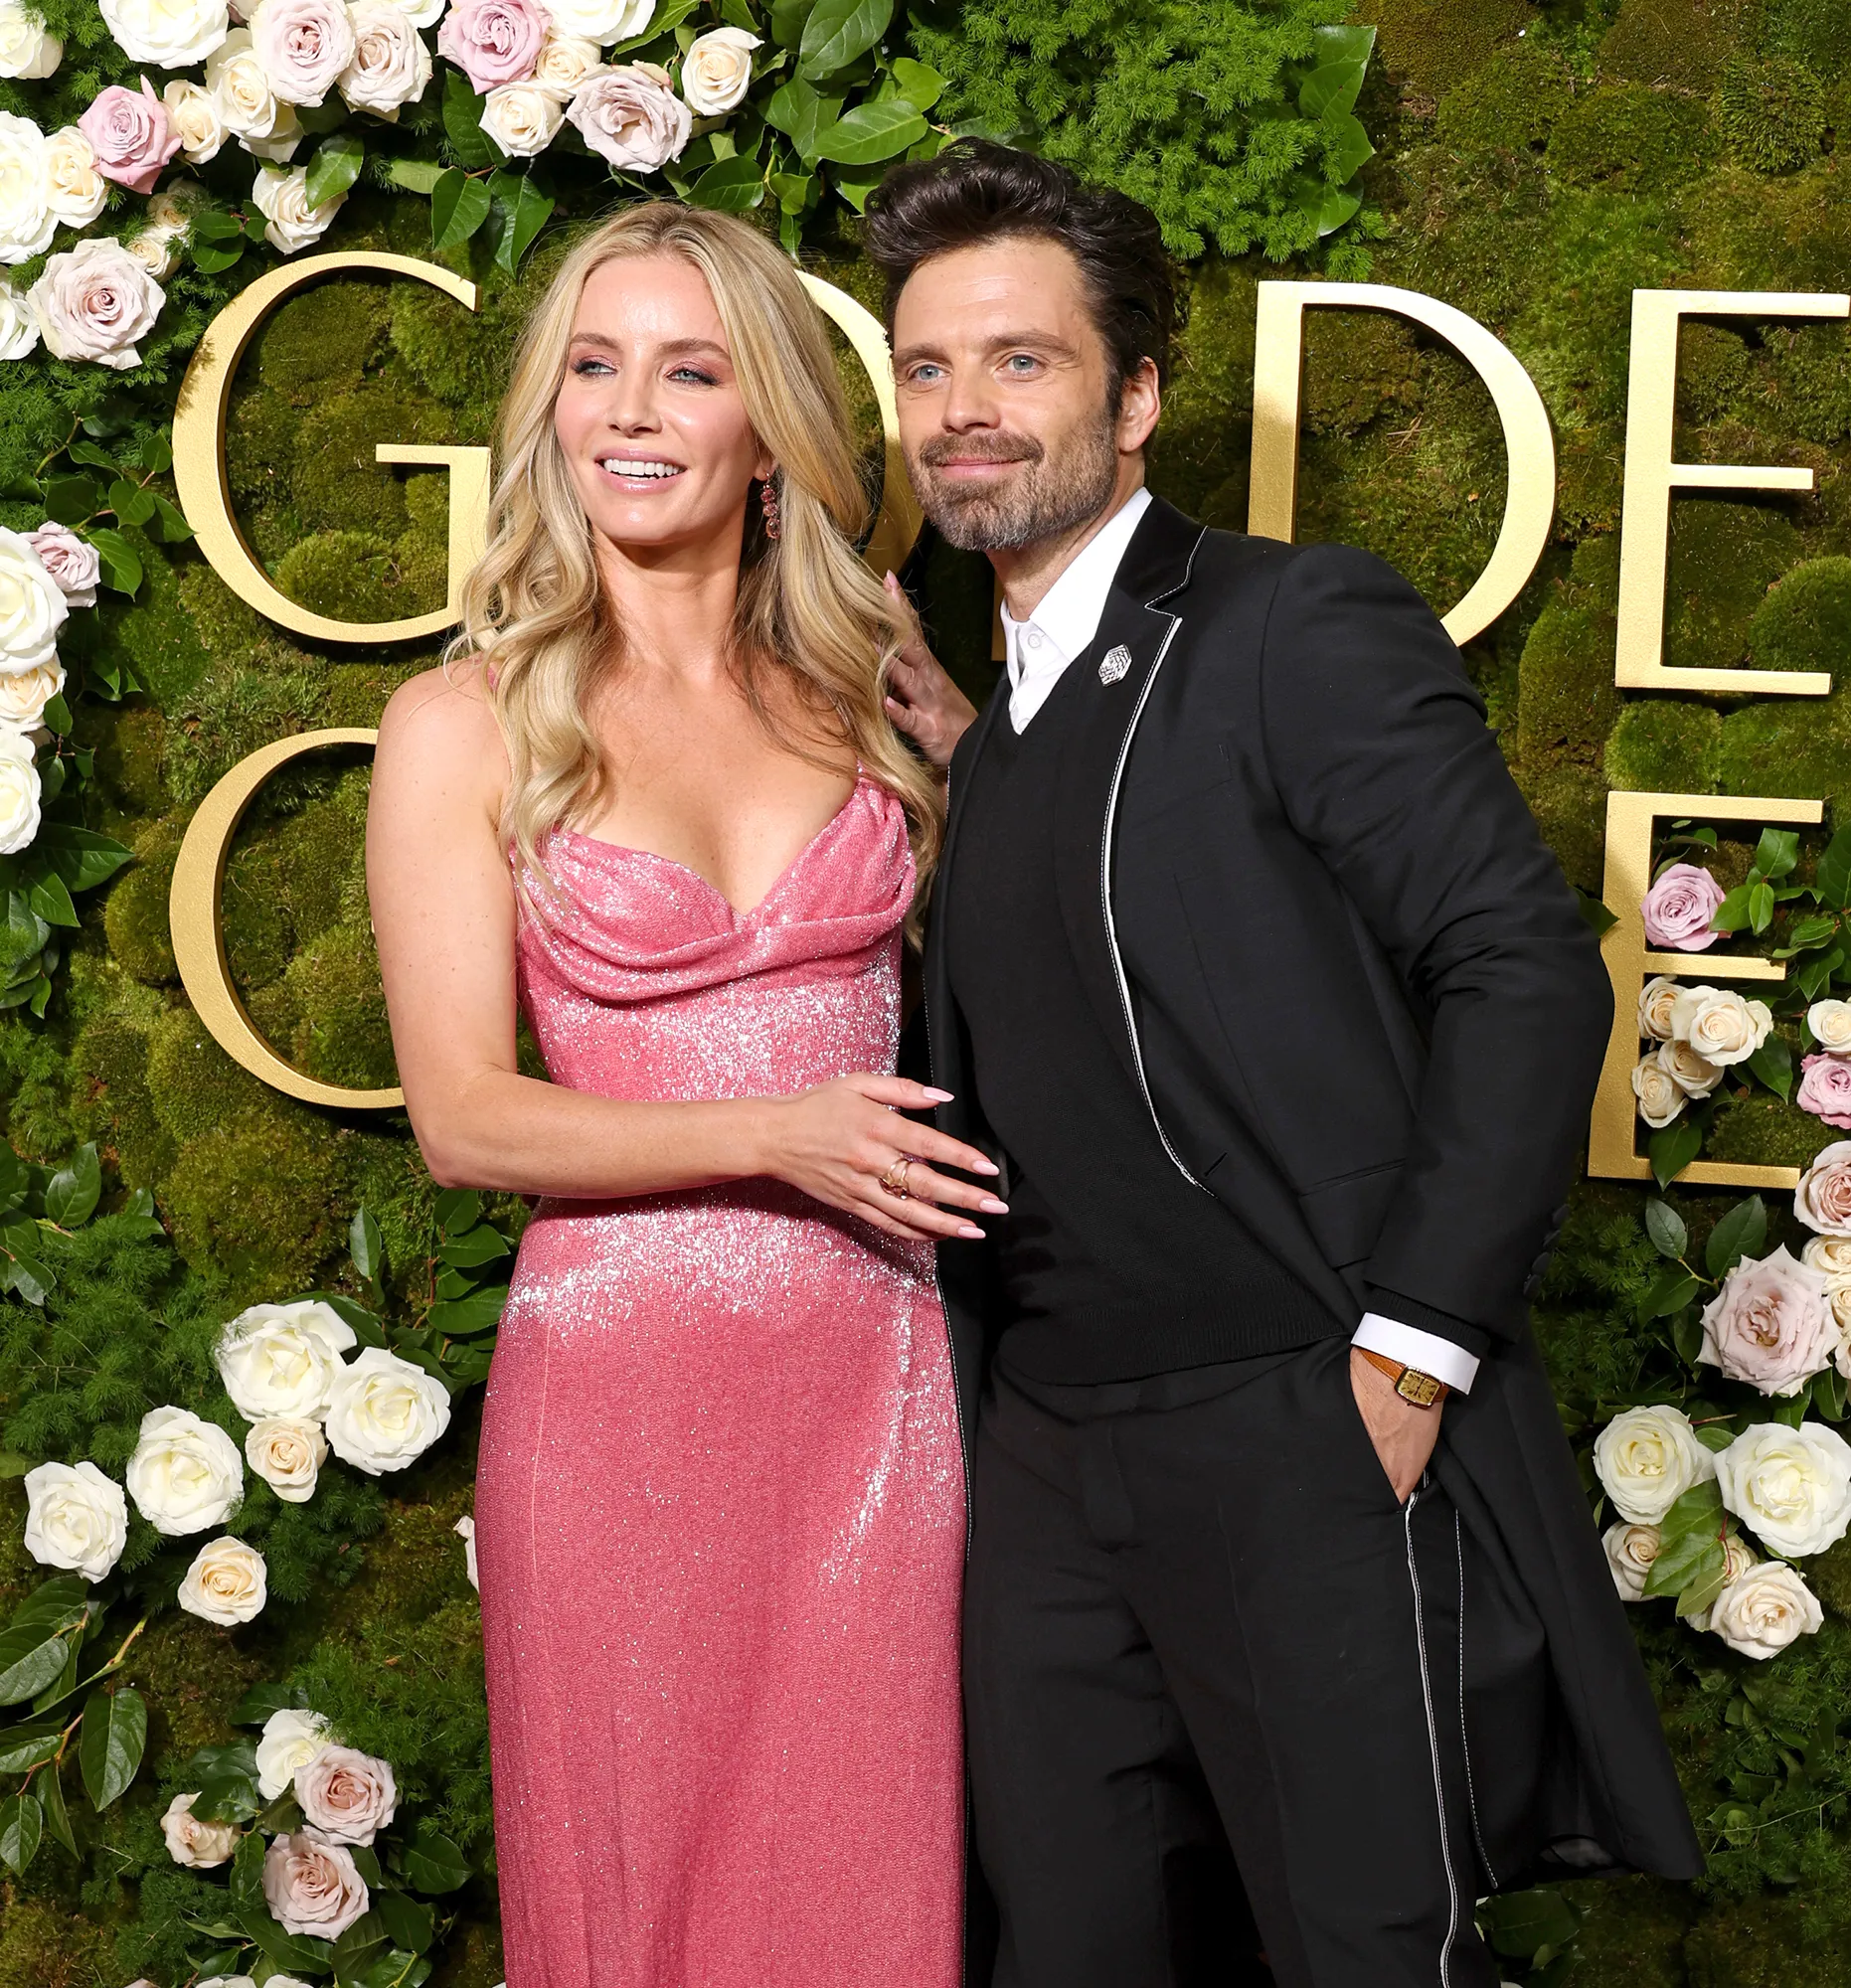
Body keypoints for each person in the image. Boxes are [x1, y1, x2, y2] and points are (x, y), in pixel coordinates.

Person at [860, 141, 1704, 1988]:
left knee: (1362, 1952)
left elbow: (1525, 969)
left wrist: (1405, 1357)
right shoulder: (981, 722)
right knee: (1068, 1949)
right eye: (927, 370)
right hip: (1050, 1457)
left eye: (1021, 361)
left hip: (1300, 1421)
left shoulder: (1287, 627)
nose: (963, 413)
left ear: (1139, 393)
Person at [365, 204, 993, 1988]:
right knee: (638, 1914)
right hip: (622, 1410)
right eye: (592, 364)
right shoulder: (466, 726)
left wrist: (975, 754)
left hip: (876, 1388)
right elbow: (465, 1121)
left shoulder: (868, 702)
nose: (630, 410)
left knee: (870, 1907)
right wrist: (773, 1132)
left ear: (768, 426)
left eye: (689, 369)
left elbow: (1057, 972)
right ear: (549, 412)